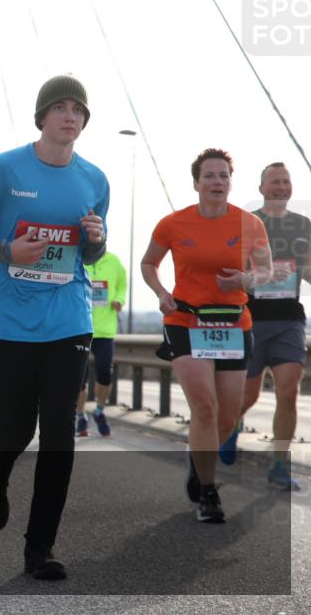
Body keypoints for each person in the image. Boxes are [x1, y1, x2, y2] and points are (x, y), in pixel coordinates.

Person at [0, 75, 108, 579]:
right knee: (17, 426)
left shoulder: (94, 179)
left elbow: (90, 254)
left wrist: (95, 242)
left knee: (60, 431)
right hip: (10, 318)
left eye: (78, 110)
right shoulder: (4, 169)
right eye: (60, 107)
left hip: (69, 317)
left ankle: (39, 548)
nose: (70, 116)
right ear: (41, 117)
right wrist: (7, 252)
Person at [141, 148, 271, 523]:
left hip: (233, 323)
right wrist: (161, 294)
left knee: (228, 416)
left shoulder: (250, 224)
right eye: (210, 176)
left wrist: (247, 279)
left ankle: (199, 462)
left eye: (224, 176)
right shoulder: (173, 224)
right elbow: (149, 262)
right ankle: (209, 494)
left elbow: (265, 271)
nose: (217, 182)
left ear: (231, 182)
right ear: (196, 183)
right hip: (186, 321)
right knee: (204, 406)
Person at [238, 162, 308, 490]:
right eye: (274, 182)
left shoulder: (303, 225)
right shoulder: (249, 225)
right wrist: (259, 277)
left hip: (290, 319)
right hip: (252, 320)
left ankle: (280, 463)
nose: (281, 187)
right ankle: (228, 428)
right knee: (248, 396)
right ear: (262, 188)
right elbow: (235, 272)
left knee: (288, 390)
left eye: (286, 182)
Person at [76, 251, 127, 437]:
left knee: (105, 372)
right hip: (80, 327)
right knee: (80, 377)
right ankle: (80, 416)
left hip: (105, 329)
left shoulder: (114, 261)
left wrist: (119, 300)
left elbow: (122, 286)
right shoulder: (78, 258)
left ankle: (99, 411)